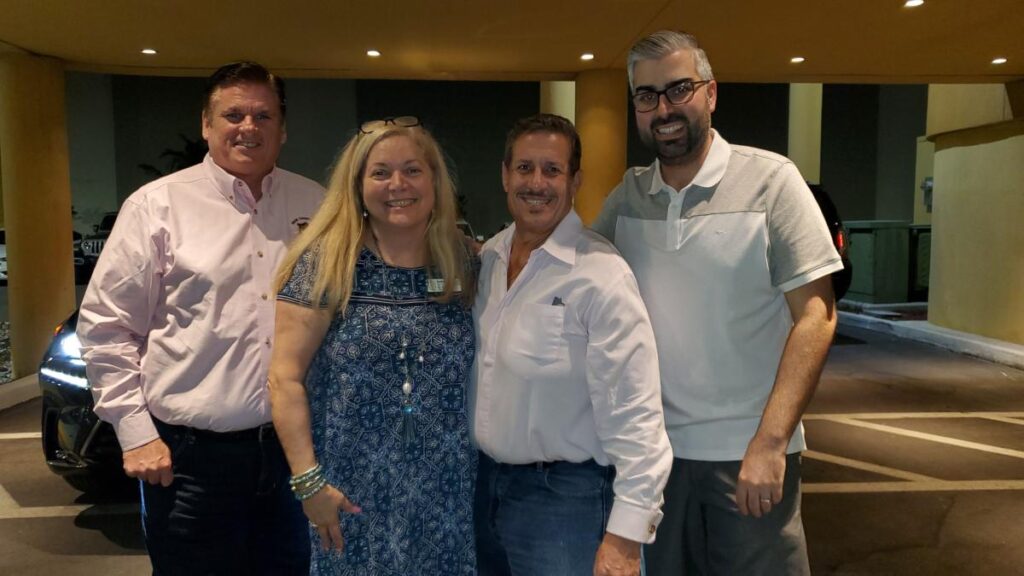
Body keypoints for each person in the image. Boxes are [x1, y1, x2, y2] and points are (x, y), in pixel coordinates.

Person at [591, 31, 843, 575]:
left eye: (679, 88)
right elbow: (572, 271)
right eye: (647, 95)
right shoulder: (628, 197)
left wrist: (771, 442)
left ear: (711, 93)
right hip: (656, 460)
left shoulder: (772, 182)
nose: (664, 108)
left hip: (747, 456)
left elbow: (817, 316)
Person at [77, 61, 323, 575]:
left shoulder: (316, 204)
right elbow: (106, 327)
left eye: (264, 115)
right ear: (206, 125)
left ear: (282, 128)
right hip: (192, 463)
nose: (249, 127)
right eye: (233, 115)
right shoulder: (157, 206)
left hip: (296, 455)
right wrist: (136, 433)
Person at [268, 116, 478, 575]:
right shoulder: (326, 262)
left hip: (445, 495)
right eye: (380, 172)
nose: (397, 185)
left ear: (434, 181)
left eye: (412, 170)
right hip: (349, 493)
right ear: (357, 185)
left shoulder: (462, 260)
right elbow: (284, 379)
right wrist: (309, 485)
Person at [472, 113, 673, 576]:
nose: (536, 183)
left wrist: (625, 537)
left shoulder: (599, 275)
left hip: (565, 505)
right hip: (485, 491)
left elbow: (636, 414)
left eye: (552, 170)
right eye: (524, 168)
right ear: (505, 175)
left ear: (575, 181)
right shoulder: (489, 259)